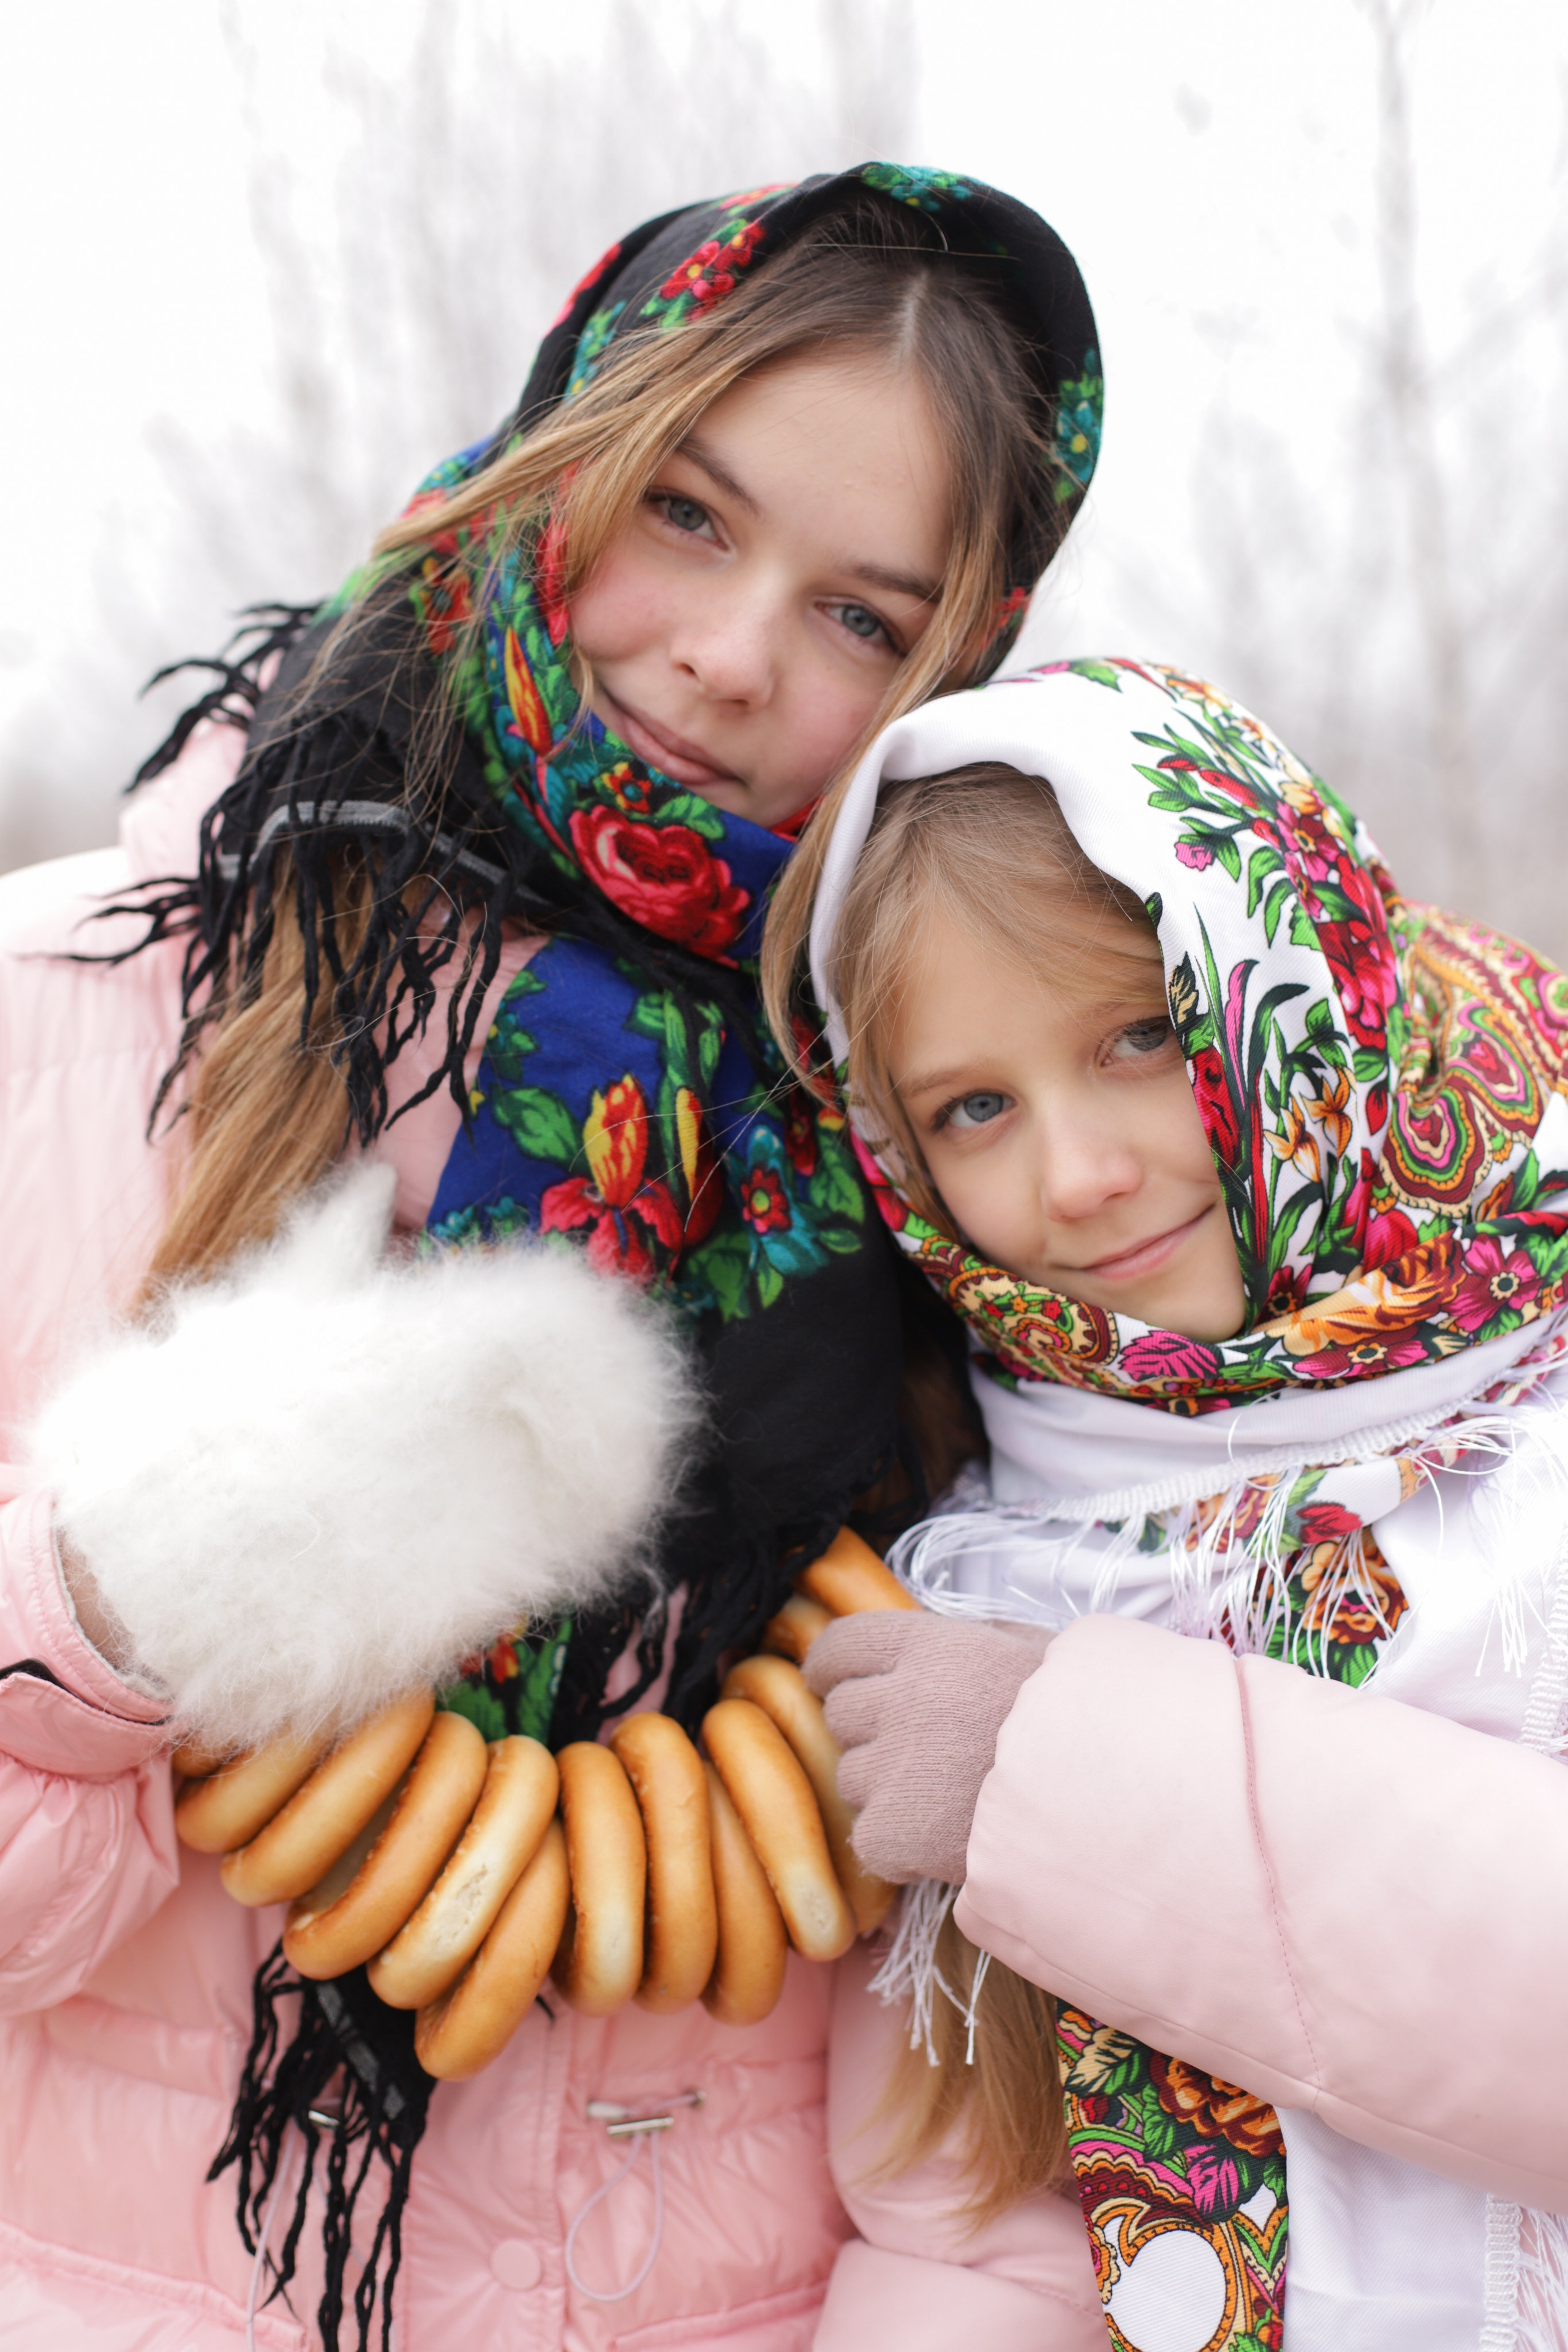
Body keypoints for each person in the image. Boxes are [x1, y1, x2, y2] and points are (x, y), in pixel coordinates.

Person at [0, 169, 1106, 2350]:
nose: (728, 654)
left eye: (863, 617)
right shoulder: (72, 1014)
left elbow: (989, 2048)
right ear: (561, 452)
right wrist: (118, 1606)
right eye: (689, 513)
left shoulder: (972, 1143)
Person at [775, 657, 1568, 2350]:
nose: (1074, 1178)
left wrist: (1056, 1771)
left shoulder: (1539, 1423)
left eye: (1141, 1033)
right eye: (972, 1109)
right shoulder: (984, 1567)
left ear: (1298, 975)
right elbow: (966, 2227)